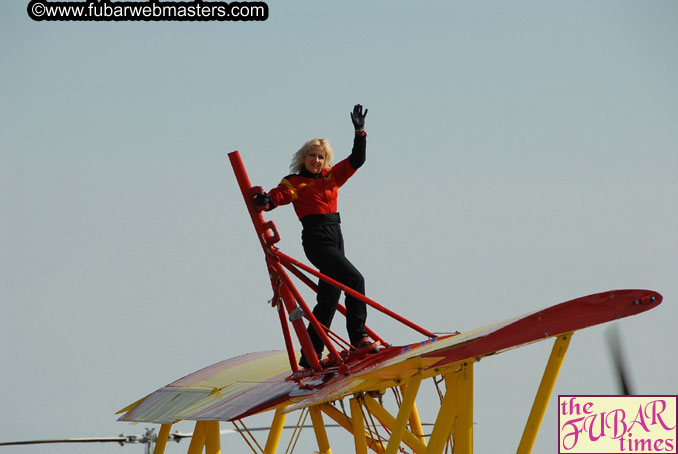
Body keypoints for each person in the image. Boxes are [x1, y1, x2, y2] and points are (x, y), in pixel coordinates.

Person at [254, 104, 376, 368]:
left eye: (321, 157)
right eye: (312, 155)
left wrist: (360, 132)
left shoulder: (331, 177)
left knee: (329, 297)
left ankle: (310, 353)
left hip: (336, 234)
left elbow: (357, 160)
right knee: (355, 279)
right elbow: (277, 197)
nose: (316, 161)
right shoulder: (296, 183)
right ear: (303, 157)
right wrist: (265, 201)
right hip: (316, 238)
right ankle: (359, 337)